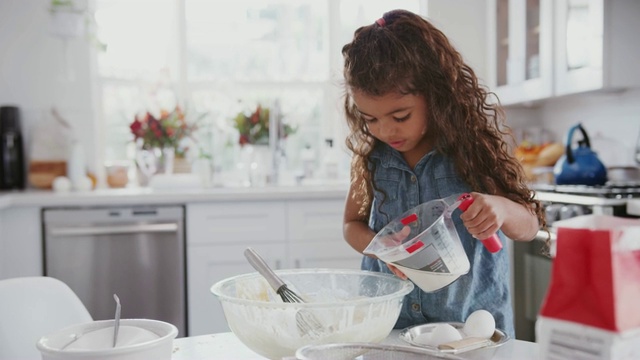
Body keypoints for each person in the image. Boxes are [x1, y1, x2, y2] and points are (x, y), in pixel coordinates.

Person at [341, 9, 546, 338]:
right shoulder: (371, 160)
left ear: (434, 94)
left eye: (401, 115)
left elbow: (529, 226)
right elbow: (351, 225)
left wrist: (501, 208)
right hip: (389, 325)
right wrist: (380, 246)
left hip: (472, 330)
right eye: (370, 119)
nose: (385, 130)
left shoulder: (471, 150)